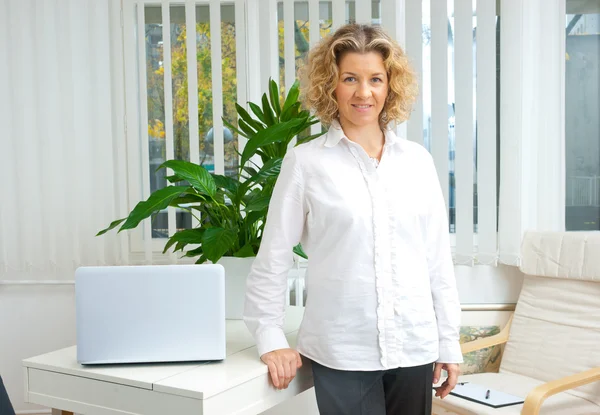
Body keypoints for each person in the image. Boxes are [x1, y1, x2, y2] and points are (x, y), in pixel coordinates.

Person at [244, 23, 462, 414]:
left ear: (390, 85)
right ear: (331, 85)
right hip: (342, 350)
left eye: (376, 79)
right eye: (350, 79)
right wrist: (270, 336)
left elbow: (437, 262)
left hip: (414, 346)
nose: (364, 92)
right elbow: (273, 256)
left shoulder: (418, 162)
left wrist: (448, 342)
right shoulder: (305, 163)